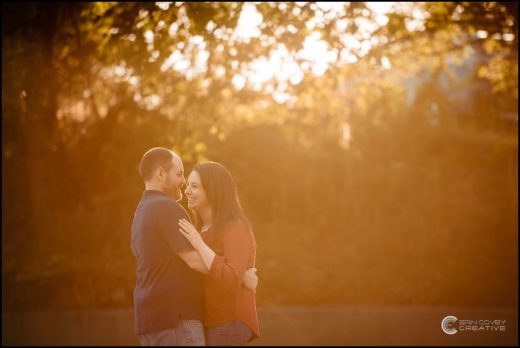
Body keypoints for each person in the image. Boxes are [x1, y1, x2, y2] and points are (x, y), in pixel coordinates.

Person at [131, 147, 257, 346]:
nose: (184, 185)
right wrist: (240, 277)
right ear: (161, 174)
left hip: (152, 319)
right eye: (180, 175)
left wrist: (238, 272)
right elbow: (194, 261)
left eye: (193, 185)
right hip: (175, 317)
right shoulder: (168, 208)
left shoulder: (141, 212)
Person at [179, 161, 260, 345]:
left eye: (194, 186)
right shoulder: (199, 230)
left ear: (213, 190)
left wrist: (199, 244)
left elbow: (231, 278)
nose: (187, 191)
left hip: (229, 321)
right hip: (209, 320)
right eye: (188, 185)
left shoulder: (235, 227)